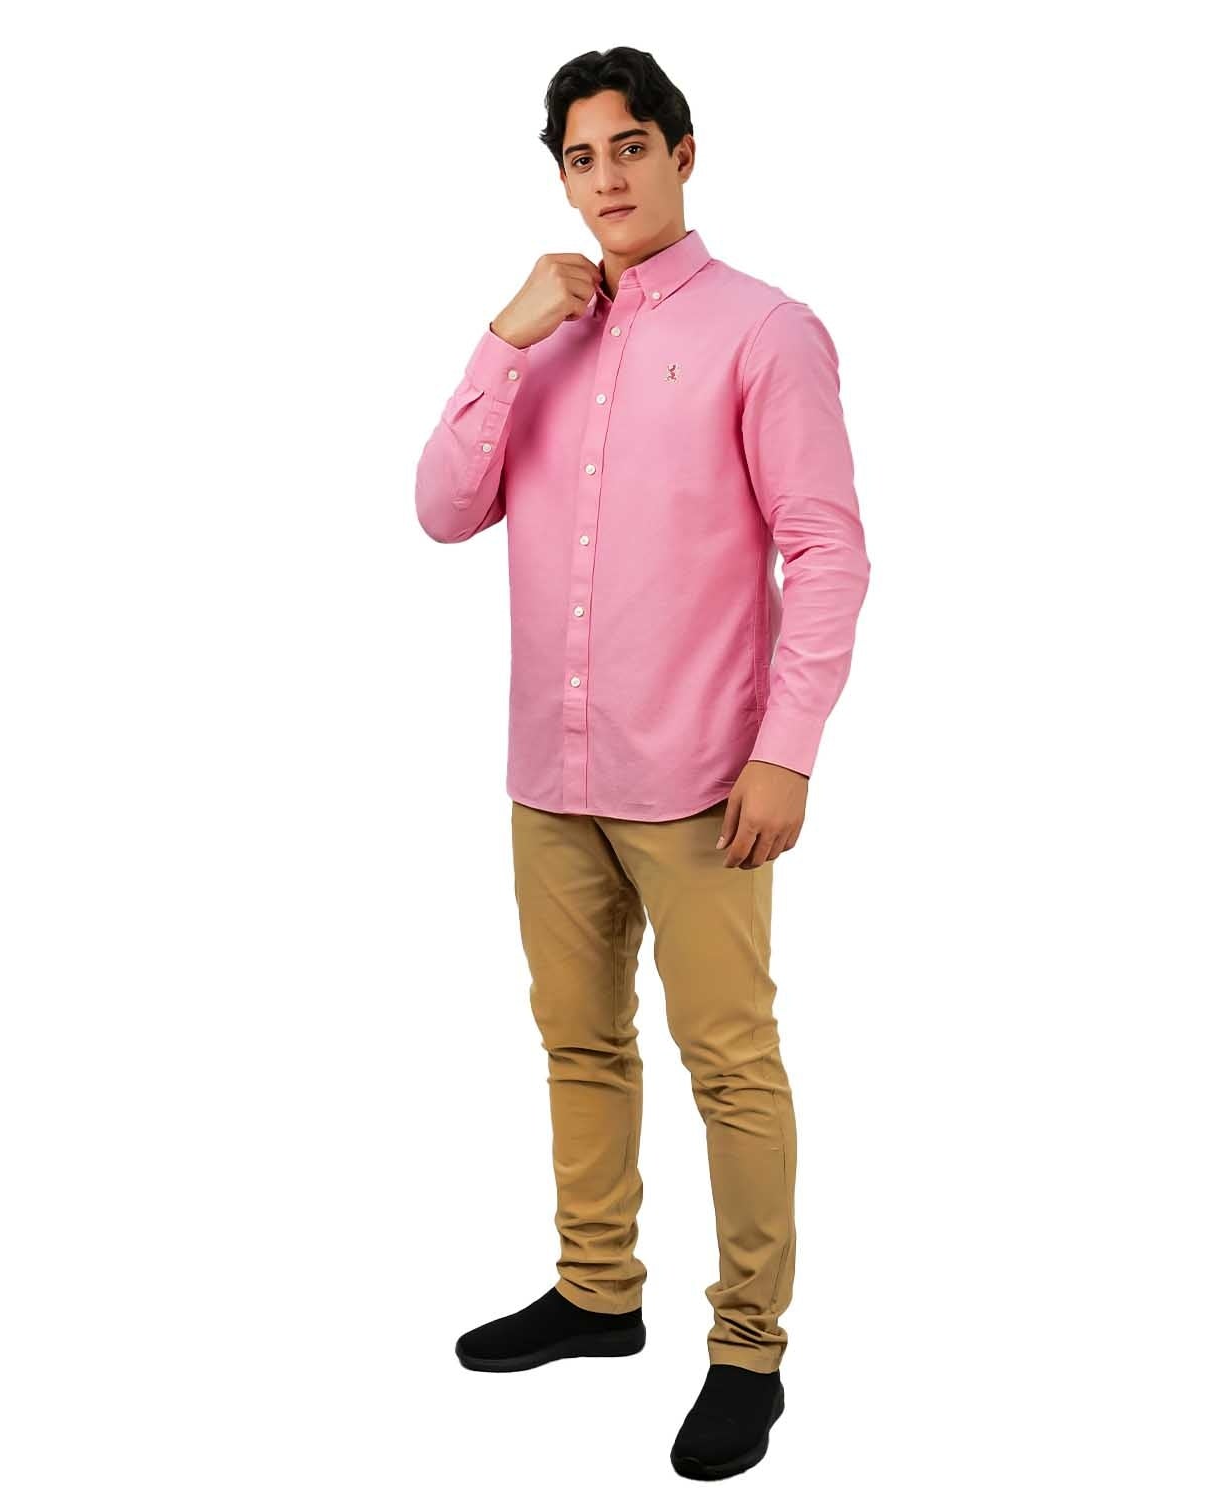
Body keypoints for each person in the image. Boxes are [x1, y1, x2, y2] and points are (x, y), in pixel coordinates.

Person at [413, 45, 871, 1482]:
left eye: (629, 148)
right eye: (579, 157)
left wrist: (787, 750)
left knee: (730, 1062)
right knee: (578, 1042)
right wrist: (503, 337)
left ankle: (748, 1350)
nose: (606, 178)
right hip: (551, 775)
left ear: (682, 152)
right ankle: (597, 1292)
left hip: (701, 779)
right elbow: (442, 510)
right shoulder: (541, 337)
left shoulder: (767, 331)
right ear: (559, 176)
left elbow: (827, 549)